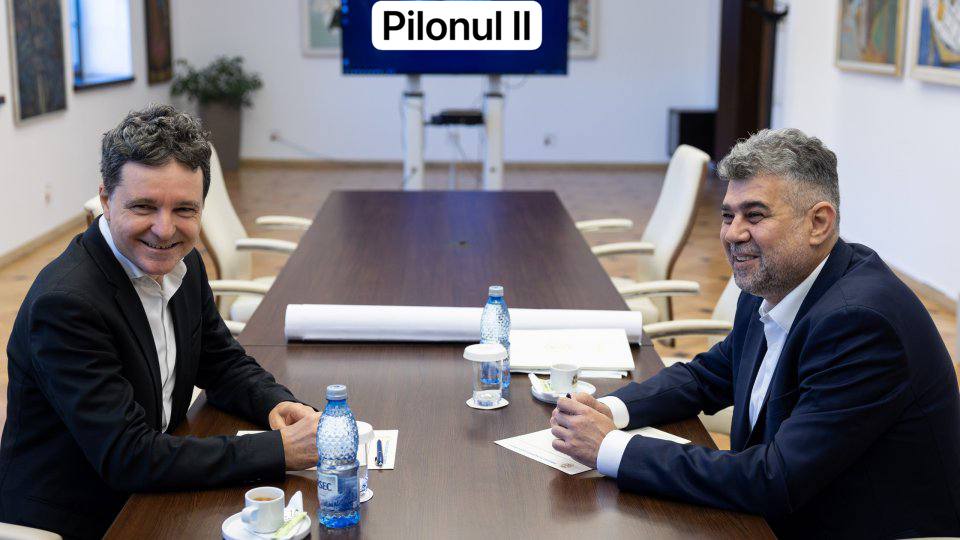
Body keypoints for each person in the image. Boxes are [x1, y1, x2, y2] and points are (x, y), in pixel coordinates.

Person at [550, 128, 960, 538]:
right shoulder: (773, 281)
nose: (733, 234)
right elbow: (710, 375)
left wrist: (610, 448)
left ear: (819, 223)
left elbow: (774, 480)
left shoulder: (859, 323)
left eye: (755, 215)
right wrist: (610, 410)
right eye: (728, 215)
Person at [0, 105, 321, 539]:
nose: (165, 230)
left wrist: (275, 404)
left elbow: (220, 361)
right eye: (144, 206)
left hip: (152, 491)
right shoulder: (66, 304)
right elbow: (128, 456)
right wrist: (278, 451)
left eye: (184, 209)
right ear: (106, 200)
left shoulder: (181, 263)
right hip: (83, 517)